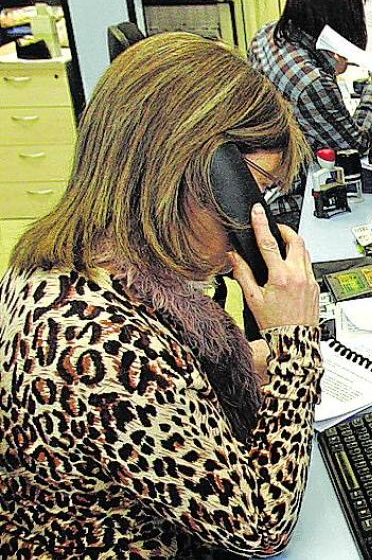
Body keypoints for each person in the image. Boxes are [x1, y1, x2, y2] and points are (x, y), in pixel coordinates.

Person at [0, 33, 322, 558]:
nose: (258, 218)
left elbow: (159, 404)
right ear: (196, 174)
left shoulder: (73, 264)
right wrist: (296, 347)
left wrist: (237, 368)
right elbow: (261, 527)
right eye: (254, 190)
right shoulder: (102, 344)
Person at [251, 0, 372, 226]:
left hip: (267, 181)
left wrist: (331, 62)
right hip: (292, 201)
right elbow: (354, 146)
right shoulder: (312, 83)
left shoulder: (267, 35)